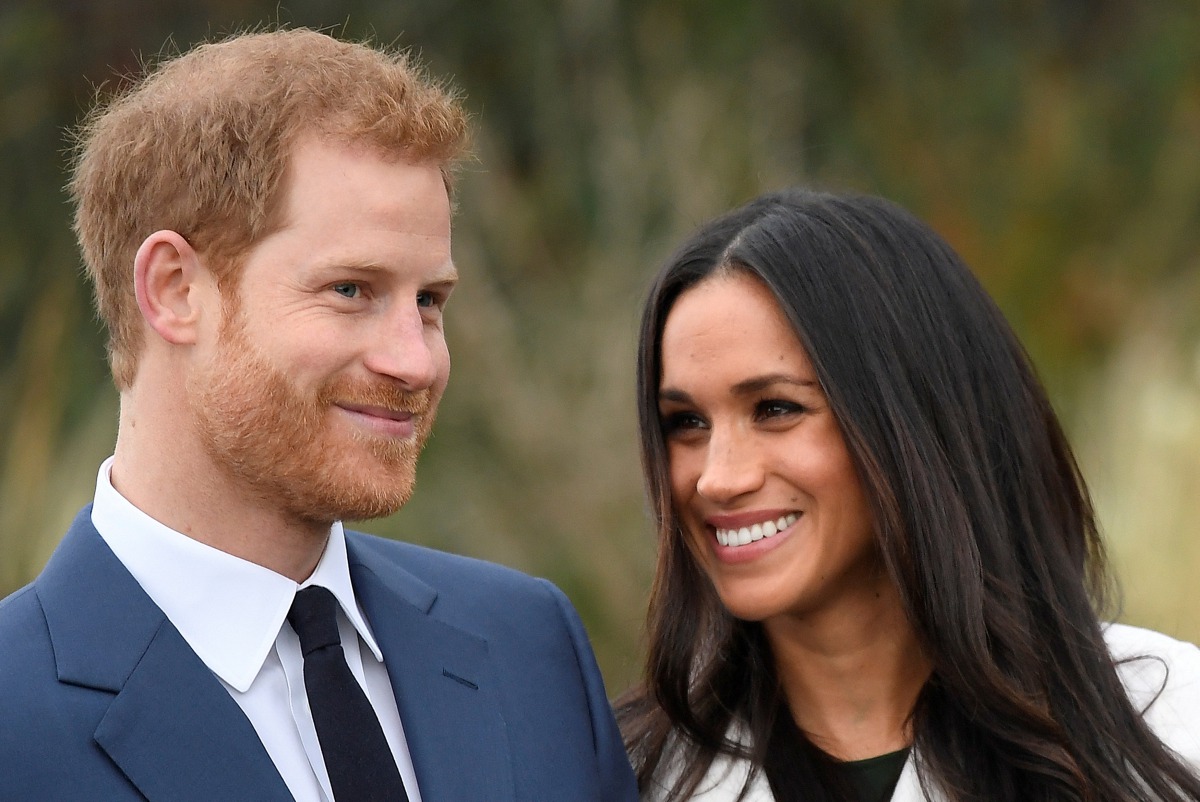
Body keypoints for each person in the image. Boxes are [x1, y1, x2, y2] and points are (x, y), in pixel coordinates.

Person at [0, 29, 636, 801]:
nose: (417, 361)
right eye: (351, 290)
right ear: (173, 289)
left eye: (429, 301)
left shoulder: (528, 647)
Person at [616, 188, 1200, 801]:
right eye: (685, 423)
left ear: (914, 422)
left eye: (776, 409)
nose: (718, 477)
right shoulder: (619, 776)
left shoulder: (1170, 729)